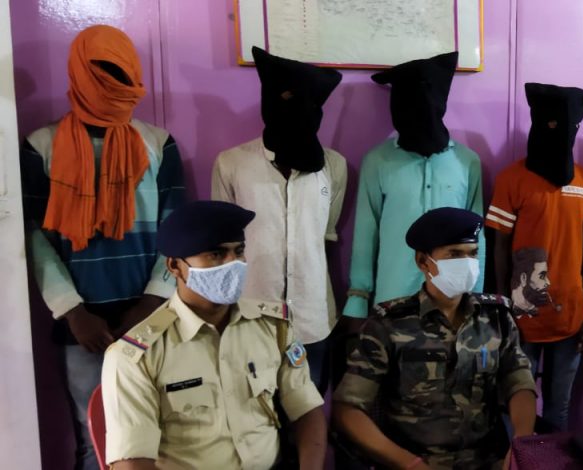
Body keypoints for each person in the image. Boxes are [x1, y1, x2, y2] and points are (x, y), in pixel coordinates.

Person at [18, 25, 185, 470]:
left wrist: (151, 302)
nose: (114, 83)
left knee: (163, 433)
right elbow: (32, 236)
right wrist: (74, 312)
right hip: (81, 329)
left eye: (122, 74)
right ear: (79, 73)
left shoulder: (157, 143)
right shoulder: (41, 146)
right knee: (94, 440)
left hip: (151, 319)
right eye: (102, 73)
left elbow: (175, 228)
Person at [101, 201, 326, 469]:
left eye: (238, 251)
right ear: (175, 266)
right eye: (216, 254)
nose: (233, 264)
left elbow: (306, 409)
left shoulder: (274, 327)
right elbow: (133, 461)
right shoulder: (136, 356)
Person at [335, 207, 536, 470]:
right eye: (454, 254)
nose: (467, 263)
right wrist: (409, 463)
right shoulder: (389, 325)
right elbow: (348, 409)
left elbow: (519, 382)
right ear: (423, 261)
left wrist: (521, 441)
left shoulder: (496, 318)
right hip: (415, 463)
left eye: (472, 253)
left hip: (488, 461)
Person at [211, 47, 346, 393]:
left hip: (313, 320)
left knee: (310, 408)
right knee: (252, 410)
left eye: (309, 102)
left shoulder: (333, 166)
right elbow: (221, 245)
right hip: (250, 317)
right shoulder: (232, 163)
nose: (299, 109)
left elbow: (324, 235)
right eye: (288, 98)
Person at [486, 82, 583, 430]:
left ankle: (551, 457)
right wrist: (503, 307)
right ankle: (517, 457)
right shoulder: (512, 179)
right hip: (523, 312)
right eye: (552, 124)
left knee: (558, 410)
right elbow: (500, 245)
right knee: (516, 405)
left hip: (571, 312)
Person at [344, 51, 485, 326]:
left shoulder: (467, 162)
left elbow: (477, 236)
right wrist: (358, 298)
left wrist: (476, 296)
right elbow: (365, 231)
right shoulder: (378, 161)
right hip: (393, 300)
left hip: (452, 303)